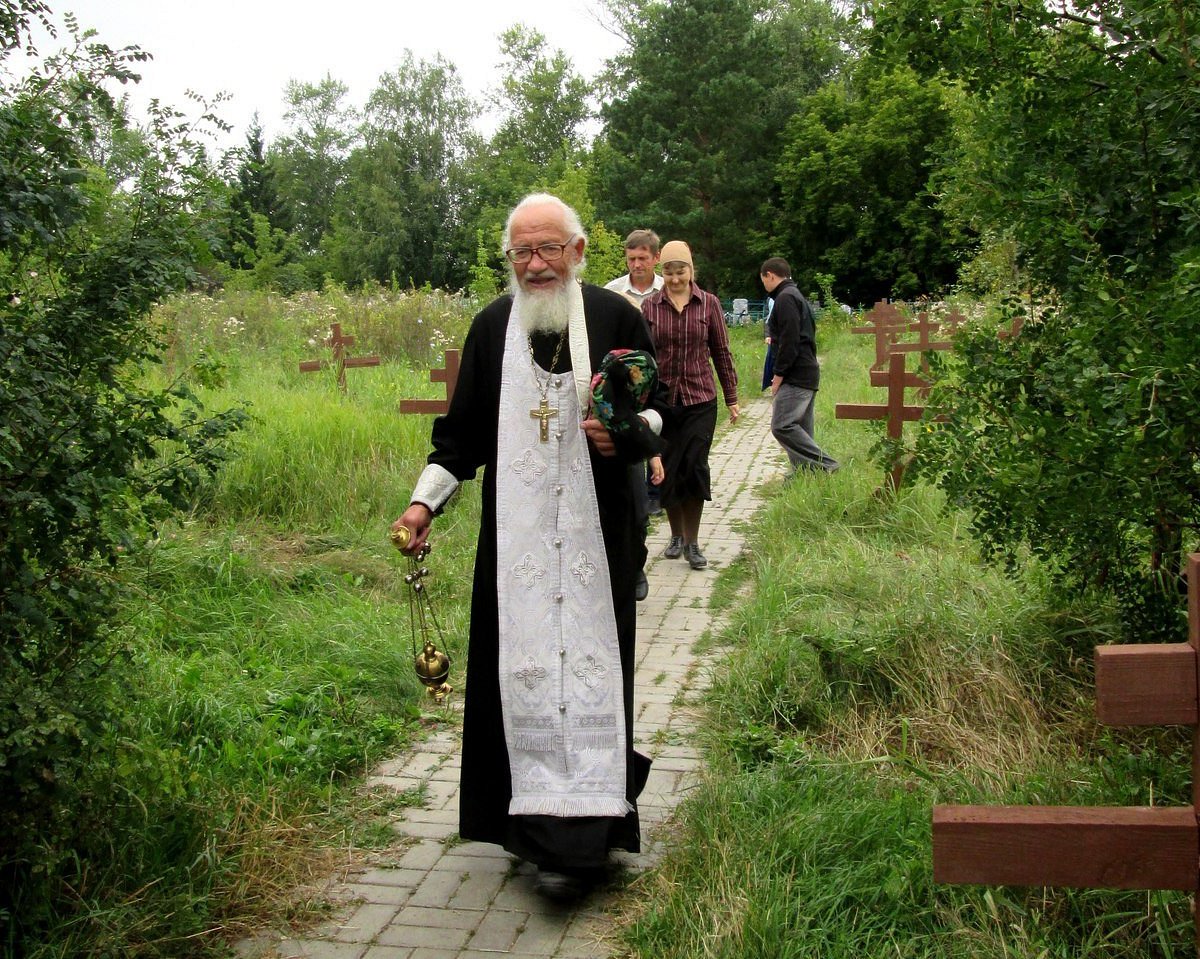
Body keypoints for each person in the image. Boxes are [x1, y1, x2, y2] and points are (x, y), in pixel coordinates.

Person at [391, 194, 662, 902]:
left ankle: (595, 829)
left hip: (598, 543)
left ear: (577, 252)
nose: (536, 264)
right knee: (527, 671)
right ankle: (538, 831)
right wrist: (424, 502)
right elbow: (460, 437)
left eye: (548, 249)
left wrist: (623, 433)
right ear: (510, 260)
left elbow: (659, 410)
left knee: (594, 673)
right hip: (516, 550)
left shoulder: (615, 318)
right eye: (522, 253)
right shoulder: (490, 329)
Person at [641, 240, 740, 570]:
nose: (674, 278)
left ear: (690, 270)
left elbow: (721, 352)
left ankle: (694, 543)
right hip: (663, 402)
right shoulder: (651, 308)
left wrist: (733, 398)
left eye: (680, 271)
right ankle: (675, 535)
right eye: (667, 272)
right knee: (667, 470)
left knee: (695, 468)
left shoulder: (708, 304)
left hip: (700, 399)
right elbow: (644, 358)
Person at [606, 230, 666, 599]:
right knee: (626, 496)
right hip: (621, 392)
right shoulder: (613, 292)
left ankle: (639, 562)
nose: (637, 264)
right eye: (631, 259)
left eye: (643, 258)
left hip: (659, 391)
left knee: (644, 498)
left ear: (655, 258)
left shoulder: (668, 288)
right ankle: (625, 568)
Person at [759, 257, 839, 474]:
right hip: (807, 372)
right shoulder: (795, 296)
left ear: (770, 275)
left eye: (763, 280)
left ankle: (828, 465)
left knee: (782, 425)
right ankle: (804, 475)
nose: (764, 285)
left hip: (796, 374)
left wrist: (778, 374)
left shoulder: (785, 298)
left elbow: (790, 340)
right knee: (802, 429)